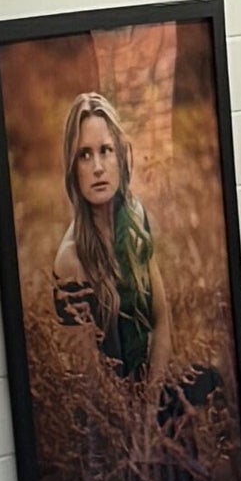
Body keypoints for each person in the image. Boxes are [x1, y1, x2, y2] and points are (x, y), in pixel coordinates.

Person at [44, 92, 159, 382]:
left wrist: (150, 408)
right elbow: (90, 382)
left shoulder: (134, 218)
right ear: (73, 169)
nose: (97, 167)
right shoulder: (70, 259)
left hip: (149, 395)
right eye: (85, 154)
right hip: (109, 412)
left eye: (105, 150)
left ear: (120, 156)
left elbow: (162, 320)